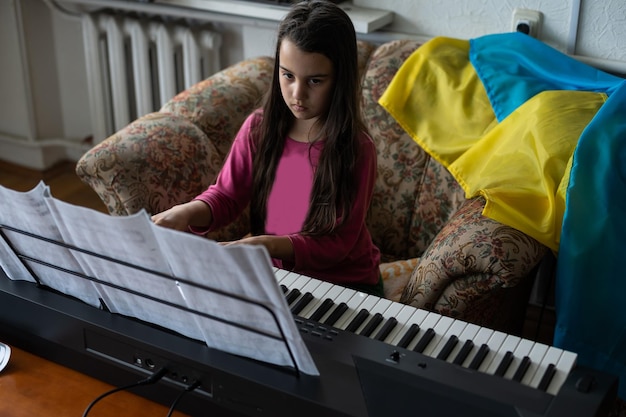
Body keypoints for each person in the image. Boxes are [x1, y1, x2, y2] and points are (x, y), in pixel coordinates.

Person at [152, 0, 382, 296]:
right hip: (278, 276)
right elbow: (226, 195)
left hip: (347, 285)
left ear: (340, 79)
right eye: (287, 75)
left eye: (314, 80)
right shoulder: (259, 128)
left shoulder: (358, 150)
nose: (297, 94)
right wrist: (186, 212)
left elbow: (336, 245)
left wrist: (265, 244)